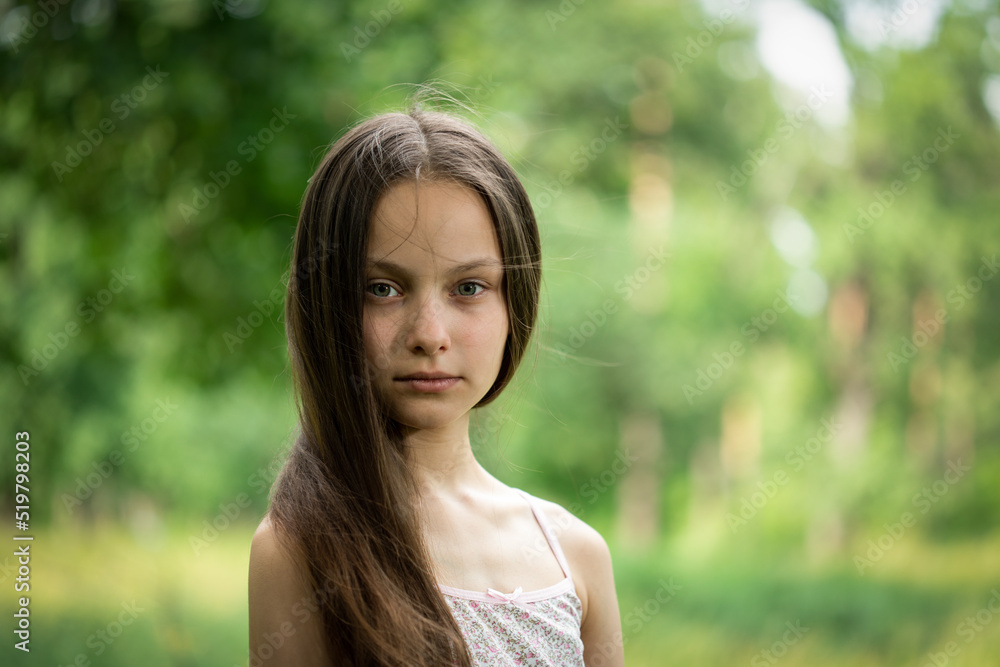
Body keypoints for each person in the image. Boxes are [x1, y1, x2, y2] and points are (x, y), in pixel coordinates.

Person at [247, 99, 624, 667]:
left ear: (513, 304)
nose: (429, 335)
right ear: (326, 306)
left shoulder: (576, 554)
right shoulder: (299, 550)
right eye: (382, 288)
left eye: (468, 288)